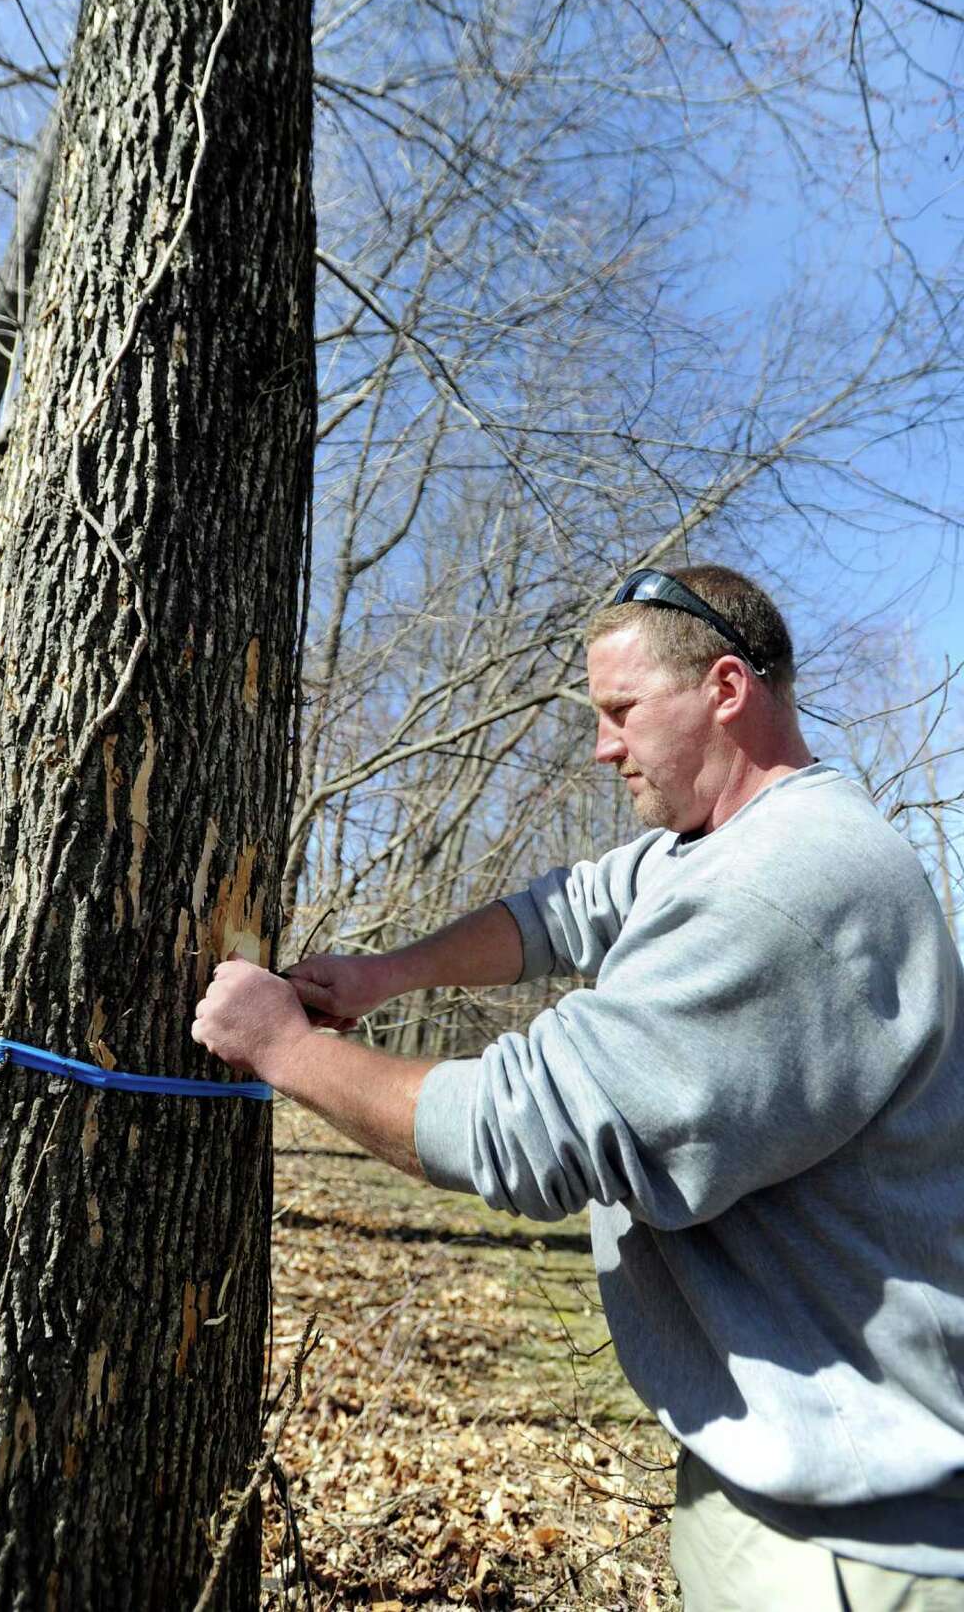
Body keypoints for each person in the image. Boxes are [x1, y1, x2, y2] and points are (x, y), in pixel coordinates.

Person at [192, 564, 964, 1610]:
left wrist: (283, 1047)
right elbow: (569, 907)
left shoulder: (788, 887)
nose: (603, 747)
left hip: (851, 1542)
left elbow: (528, 1128)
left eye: (621, 711)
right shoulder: (723, 846)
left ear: (725, 688)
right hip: (793, 1477)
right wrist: (389, 971)